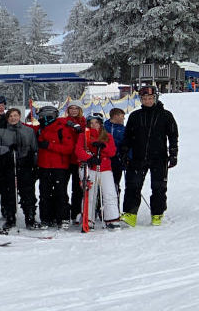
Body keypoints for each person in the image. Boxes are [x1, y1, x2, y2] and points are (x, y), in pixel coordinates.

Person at [120, 86, 178, 227]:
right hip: (138, 158)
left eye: (150, 98)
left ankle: (157, 214)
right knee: (133, 185)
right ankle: (130, 214)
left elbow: (173, 135)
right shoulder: (135, 116)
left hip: (159, 157)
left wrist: (173, 153)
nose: (147, 101)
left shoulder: (166, 115)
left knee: (158, 187)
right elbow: (128, 136)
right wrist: (124, 152)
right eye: (144, 99)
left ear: (155, 98)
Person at [0, 108, 41, 230]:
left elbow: (34, 149)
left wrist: (35, 166)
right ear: (7, 118)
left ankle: (30, 217)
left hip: (25, 165)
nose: (13, 118)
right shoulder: (0, 131)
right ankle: (10, 217)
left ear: (19, 116)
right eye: (10, 116)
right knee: (9, 193)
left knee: (27, 193)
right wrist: (7, 149)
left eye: (15, 115)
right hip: (7, 165)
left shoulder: (28, 131)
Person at [75, 113, 120, 230]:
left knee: (109, 193)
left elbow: (112, 152)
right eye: (92, 123)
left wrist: (103, 146)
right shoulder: (84, 136)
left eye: (96, 122)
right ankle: (88, 218)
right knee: (90, 194)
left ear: (100, 124)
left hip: (105, 168)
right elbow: (79, 150)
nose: (94, 125)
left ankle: (112, 218)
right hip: (91, 168)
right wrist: (90, 158)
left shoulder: (107, 136)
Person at [35, 105, 75, 229]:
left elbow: (68, 148)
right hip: (44, 165)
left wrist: (50, 145)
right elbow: (28, 127)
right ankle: (46, 218)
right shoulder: (40, 128)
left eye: (43, 116)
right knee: (45, 193)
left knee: (60, 192)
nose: (41, 119)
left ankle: (62, 217)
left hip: (60, 166)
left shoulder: (62, 128)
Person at [64, 105, 88, 217]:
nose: (74, 111)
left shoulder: (84, 122)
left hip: (78, 160)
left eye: (76, 109)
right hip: (65, 159)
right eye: (71, 108)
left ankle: (76, 212)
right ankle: (63, 210)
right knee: (62, 187)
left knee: (77, 188)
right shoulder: (64, 121)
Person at [104, 108, 127, 199]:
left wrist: (126, 156)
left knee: (115, 183)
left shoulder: (124, 129)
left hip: (118, 159)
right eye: (122, 116)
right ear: (115, 116)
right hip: (105, 159)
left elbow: (128, 144)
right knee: (105, 184)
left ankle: (115, 207)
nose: (123, 119)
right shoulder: (104, 127)